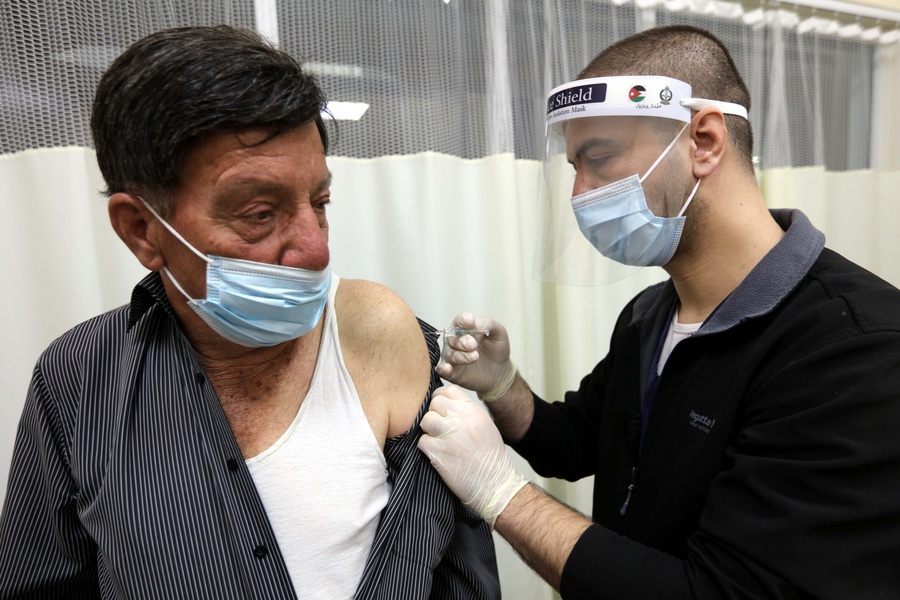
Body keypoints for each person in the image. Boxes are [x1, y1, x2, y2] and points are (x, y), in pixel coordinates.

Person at [0, 25, 499, 599]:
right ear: (141, 230)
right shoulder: (79, 380)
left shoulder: (382, 331)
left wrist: (505, 393)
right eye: (260, 214)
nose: (316, 249)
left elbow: (462, 572)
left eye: (320, 202)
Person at [417, 25, 900, 599]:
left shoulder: (855, 349)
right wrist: (502, 386)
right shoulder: (650, 316)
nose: (579, 194)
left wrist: (501, 495)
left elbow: (722, 592)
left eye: (599, 158)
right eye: (573, 167)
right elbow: (574, 443)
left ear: (704, 142)